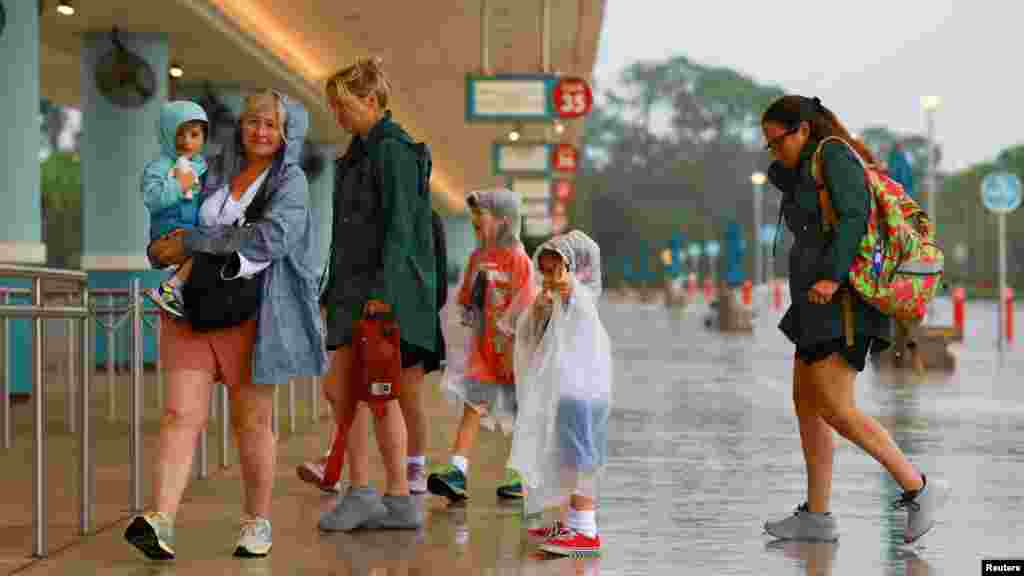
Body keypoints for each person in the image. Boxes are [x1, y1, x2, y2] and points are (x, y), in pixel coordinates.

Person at [126, 90, 327, 560]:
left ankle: (256, 522)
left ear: (286, 134)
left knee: (251, 421)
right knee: (179, 415)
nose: (260, 131)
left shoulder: (290, 181)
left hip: (252, 313)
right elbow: (174, 213)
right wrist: (160, 246)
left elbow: (274, 237)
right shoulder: (214, 168)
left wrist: (197, 241)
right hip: (192, 309)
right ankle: (161, 520)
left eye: (271, 125)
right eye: (253, 121)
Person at [760, 95, 949, 544]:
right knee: (807, 402)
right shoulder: (808, 164)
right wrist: (784, 156)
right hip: (814, 303)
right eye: (767, 143)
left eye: (777, 140)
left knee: (836, 408)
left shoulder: (834, 157)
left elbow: (853, 218)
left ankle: (919, 488)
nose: (772, 150)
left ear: (803, 130)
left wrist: (830, 277)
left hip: (842, 301)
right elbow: (780, 178)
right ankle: (817, 516)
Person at [317, 57, 437, 531]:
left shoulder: (393, 151)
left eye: (343, 106)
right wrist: (332, 288)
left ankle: (370, 491)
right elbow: (350, 234)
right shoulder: (362, 151)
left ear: (371, 101)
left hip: (376, 294)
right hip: (353, 291)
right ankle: (392, 497)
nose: (338, 115)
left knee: (357, 393)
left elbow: (402, 230)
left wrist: (384, 292)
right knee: (366, 395)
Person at [426, 188, 538, 504]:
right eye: (473, 220)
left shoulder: (519, 260)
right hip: (483, 350)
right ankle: (458, 470)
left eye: (481, 218)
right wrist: (466, 315)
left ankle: (520, 475)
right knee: (472, 408)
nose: (475, 223)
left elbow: (526, 307)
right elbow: (466, 301)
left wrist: (513, 343)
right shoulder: (477, 258)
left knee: (520, 414)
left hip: (516, 352)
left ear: (504, 222)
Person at [509, 230, 611, 557]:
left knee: (581, 460)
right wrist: (539, 309)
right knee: (569, 460)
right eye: (546, 272)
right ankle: (572, 522)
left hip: (581, 396)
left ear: (576, 269)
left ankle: (585, 529)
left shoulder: (580, 301)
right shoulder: (562, 303)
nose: (550, 279)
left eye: (557, 270)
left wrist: (560, 291)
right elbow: (530, 336)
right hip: (569, 395)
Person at [142, 101, 208, 318]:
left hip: (191, 236)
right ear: (167, 133)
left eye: (194, 135)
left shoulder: (203, 167)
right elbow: (151, 198)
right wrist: (180, 185)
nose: (187, 141)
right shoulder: (159, 167)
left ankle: (172, 291)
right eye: (180, 134)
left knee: (213, 250)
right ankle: (170, 289)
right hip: (167, 236)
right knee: (207, 247)